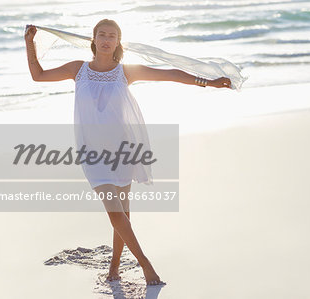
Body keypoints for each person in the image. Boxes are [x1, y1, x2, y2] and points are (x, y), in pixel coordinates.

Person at [24, 19, 232, 286]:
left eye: (112, 35)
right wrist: (29, 43)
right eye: (102, 35)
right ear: (94, 39)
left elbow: (170, 74)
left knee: (122, 212)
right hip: (92, 154)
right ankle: (146, 265)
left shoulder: (125, 72)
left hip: (123, 150)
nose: (106, 39)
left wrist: (210, 83)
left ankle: (114, 266)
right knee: (115, 214)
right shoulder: (78, 70)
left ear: (118, 42)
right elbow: (38, 75)